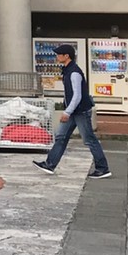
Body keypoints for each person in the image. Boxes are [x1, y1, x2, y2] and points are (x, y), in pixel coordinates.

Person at [34, 44, 112, 179]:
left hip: (80, 111)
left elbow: (77, 96)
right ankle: (50, 164)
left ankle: (103, 168)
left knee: (89, 140)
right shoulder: (67, 70)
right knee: (61, 137)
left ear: (66, 56)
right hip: (74, 111)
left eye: (59, 54)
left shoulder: (74, 72)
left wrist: (67, 112)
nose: (57, 56)